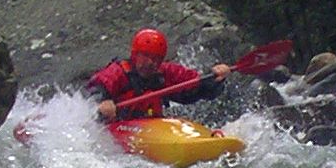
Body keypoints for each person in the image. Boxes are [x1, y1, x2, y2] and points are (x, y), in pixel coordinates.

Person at [85, 29, 232, 121]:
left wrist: (217, 78)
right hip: (118, 125)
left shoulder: (166, 72)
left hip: (152, 127)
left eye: (156, 58)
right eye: (146, 56)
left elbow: (197, 89)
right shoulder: (118, 72)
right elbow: (94, 89)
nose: (150, 63)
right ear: (135, 54)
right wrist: (103, 101)